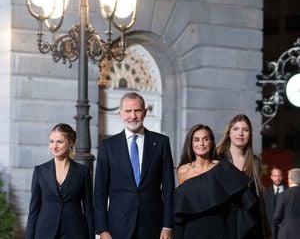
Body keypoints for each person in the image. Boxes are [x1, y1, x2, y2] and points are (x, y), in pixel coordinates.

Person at [94, 92, 175, 239]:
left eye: (137, 110)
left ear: (144, 113)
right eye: (128, 111)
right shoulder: (108, 146)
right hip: (118, 225)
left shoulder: (161, 143)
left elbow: (169, 188)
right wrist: (102, 230)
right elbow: (100, 191)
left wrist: (168, 225)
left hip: (153, 225)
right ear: (120, 113)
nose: (133, 116)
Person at [174, 123, 259, 239]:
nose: (201, 144)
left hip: (219, 229)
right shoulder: (183, 171)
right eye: (196, 140)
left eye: (206, 139)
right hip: (192, 230)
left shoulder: (223, 167)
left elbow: (243, 200)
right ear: (191, 143)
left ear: (211, 142)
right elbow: (182, 205)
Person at [25, 123, 94, 239]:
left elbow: (88, 208)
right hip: (44, 232)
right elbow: (34, 210)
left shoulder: (83, 172)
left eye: (59, 142)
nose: (54, 146)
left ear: (71, 143)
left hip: (75, 232)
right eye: (51, 141)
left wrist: (92, 236)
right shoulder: (40, 171)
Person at [216, 114, 271, 239]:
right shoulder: (219, 158)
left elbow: (259, 197)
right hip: (225, 221)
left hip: (251, 222)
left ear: (250, 134)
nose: (240, 133)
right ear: (229, 133)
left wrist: (266, 230)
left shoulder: (255, 161)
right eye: (236, 129)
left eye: (245, 130)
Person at [273, 168, 300, 239]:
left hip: (286, 233)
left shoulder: (284, 194)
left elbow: (276, 216)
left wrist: (282, 224)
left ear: (290, 180)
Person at [264, 166, 288, 238]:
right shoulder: (266, 192)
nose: (277, 178)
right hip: (271, 228)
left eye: (279, 176)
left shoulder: (289, 191)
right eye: (275, 176)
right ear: (271, 177)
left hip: (286, 227)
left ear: (282, 176)